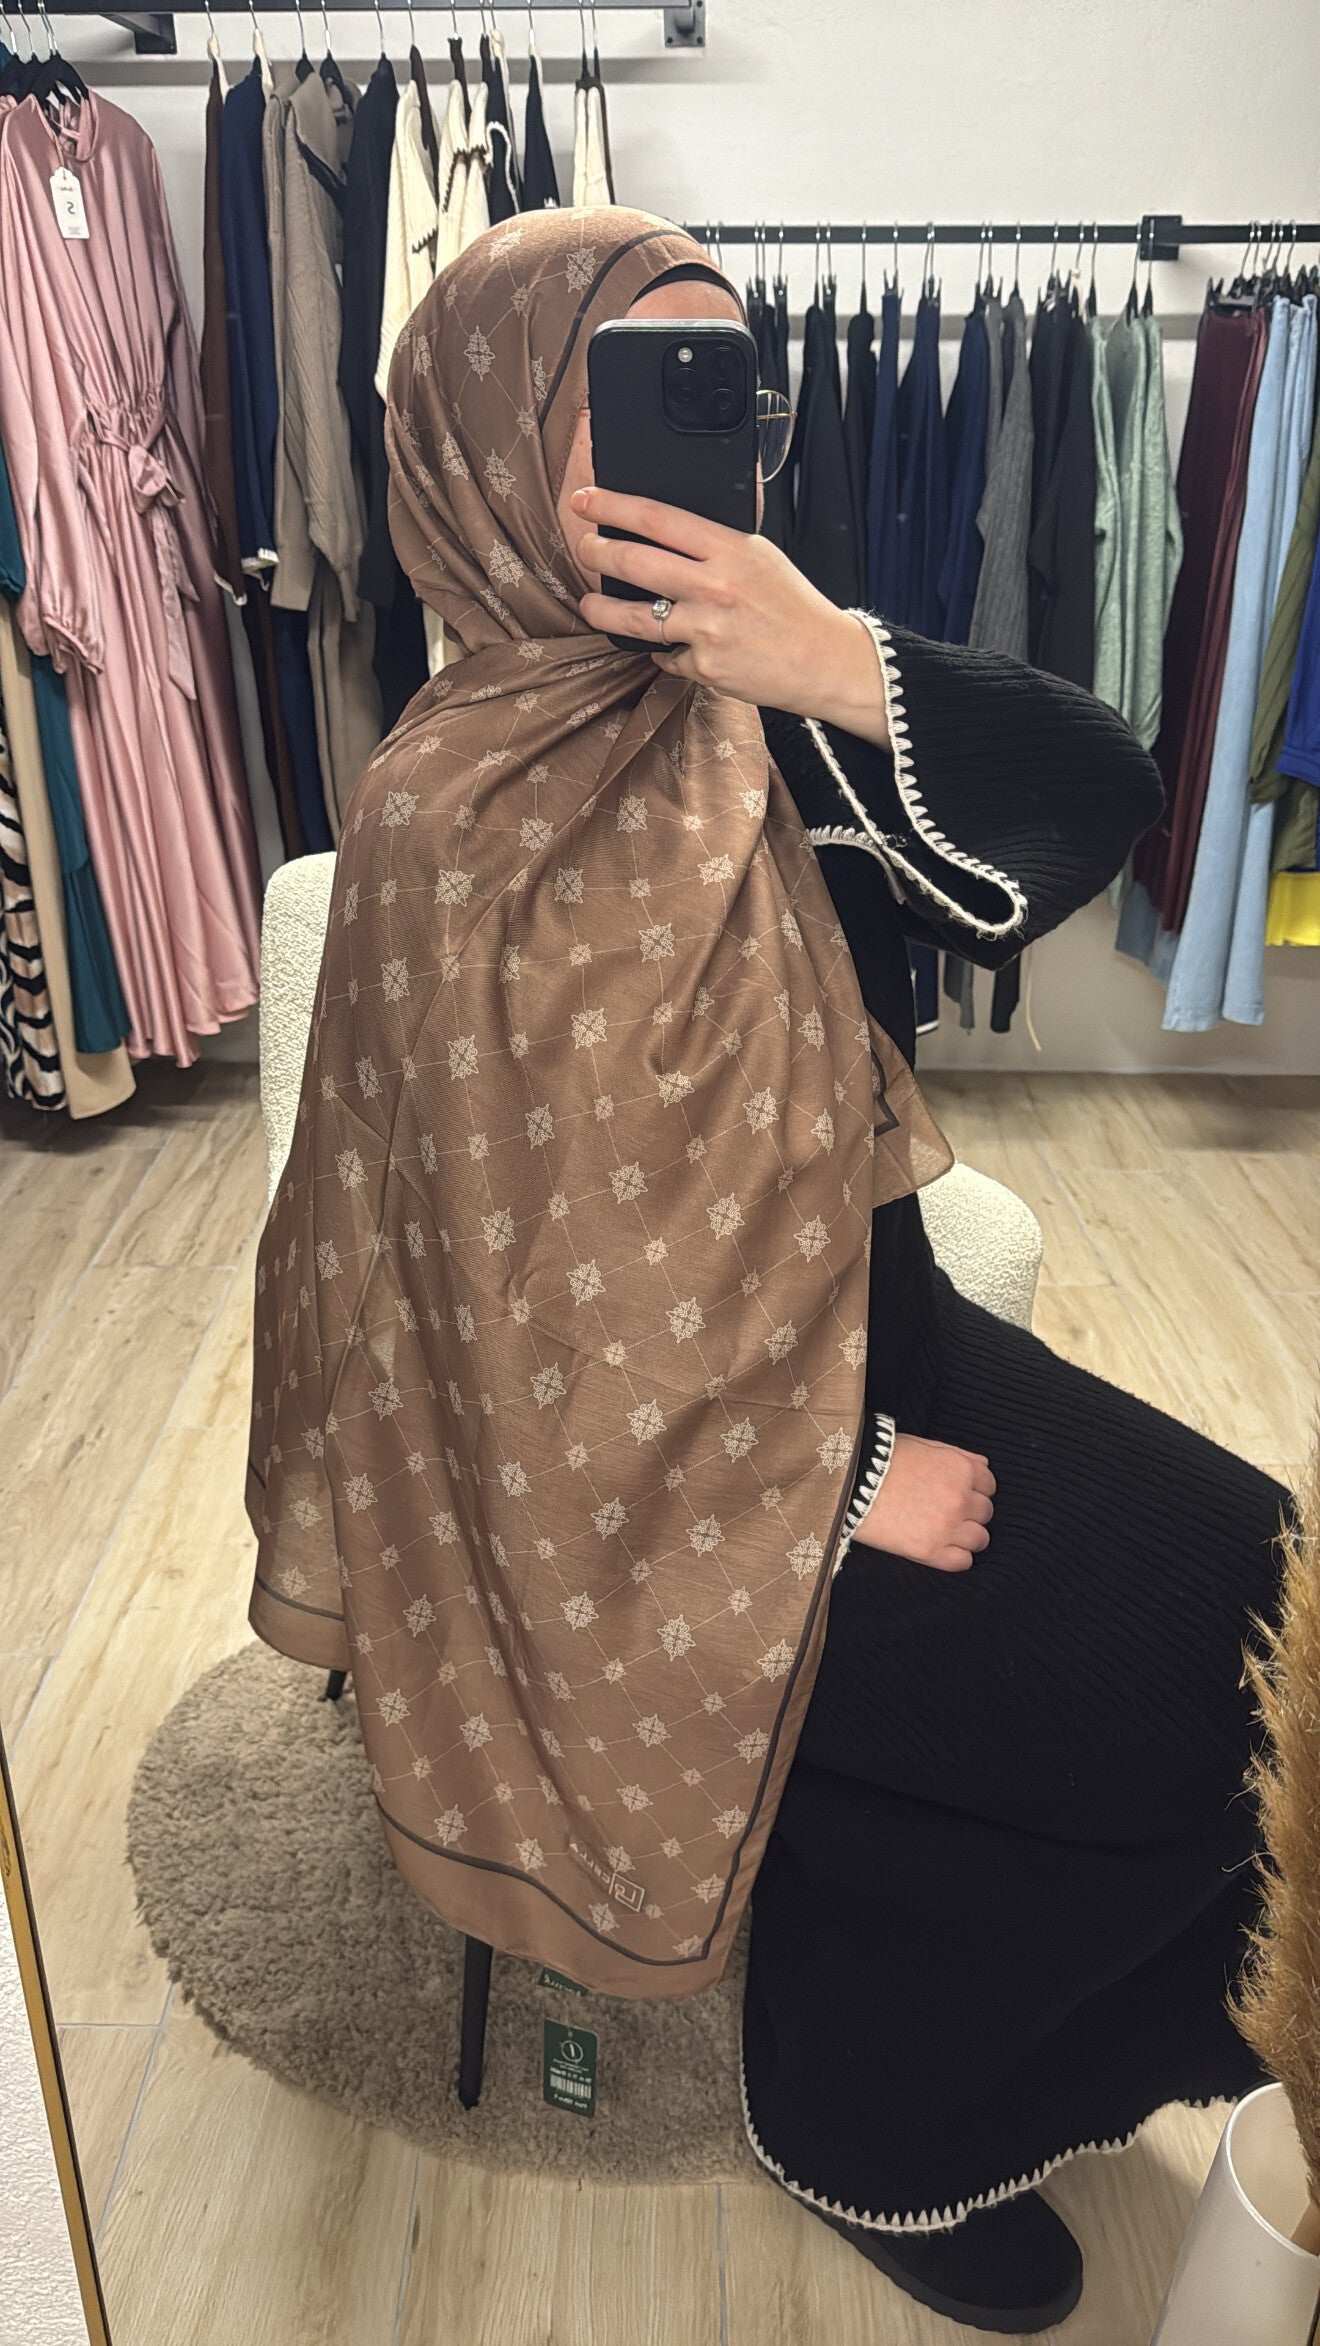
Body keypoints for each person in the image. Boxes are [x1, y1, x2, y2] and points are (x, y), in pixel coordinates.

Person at [247, 209, 1288, 2337]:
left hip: (880, 1357)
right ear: (484, 444)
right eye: (639, 396)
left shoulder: (759, 718)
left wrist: (832, 658)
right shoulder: (440, 820)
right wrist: (828, 1491)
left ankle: (925, 1999)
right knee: (1173, 1712)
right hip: (652, 1503)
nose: (707, 451)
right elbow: (474, 1331)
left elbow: (1099, 800)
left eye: (736, 397)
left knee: (1280, 1616)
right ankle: (875, 2116)